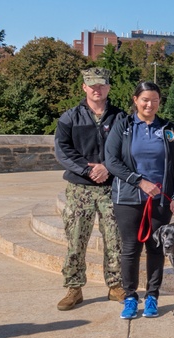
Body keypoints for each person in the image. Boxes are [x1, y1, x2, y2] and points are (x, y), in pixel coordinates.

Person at [104, 82, 174, 319]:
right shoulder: (123, 126)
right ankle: (130, 297)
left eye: (155, 100)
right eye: (145, 100)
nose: (150, 105)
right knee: (130, 248)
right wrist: (139, 181)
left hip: (161, 200)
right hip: (128, 198)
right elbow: (111, 160)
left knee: (156, 247)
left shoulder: (169, 129)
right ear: (135, 100)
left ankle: (152, 296)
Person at [53, 67, 126, 310]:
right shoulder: (70, 117)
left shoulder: (120, 117)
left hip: (111, 187)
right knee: (76, 238)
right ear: (84, 87)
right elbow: (62, 150)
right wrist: (87, 169)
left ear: (108, 87)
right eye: (92, 85)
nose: (97, 89)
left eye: (101, 85)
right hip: (79, 188)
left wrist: (107, 167)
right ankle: (74, 288)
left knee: (115, 238)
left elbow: (127, 149)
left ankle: (116, 285)